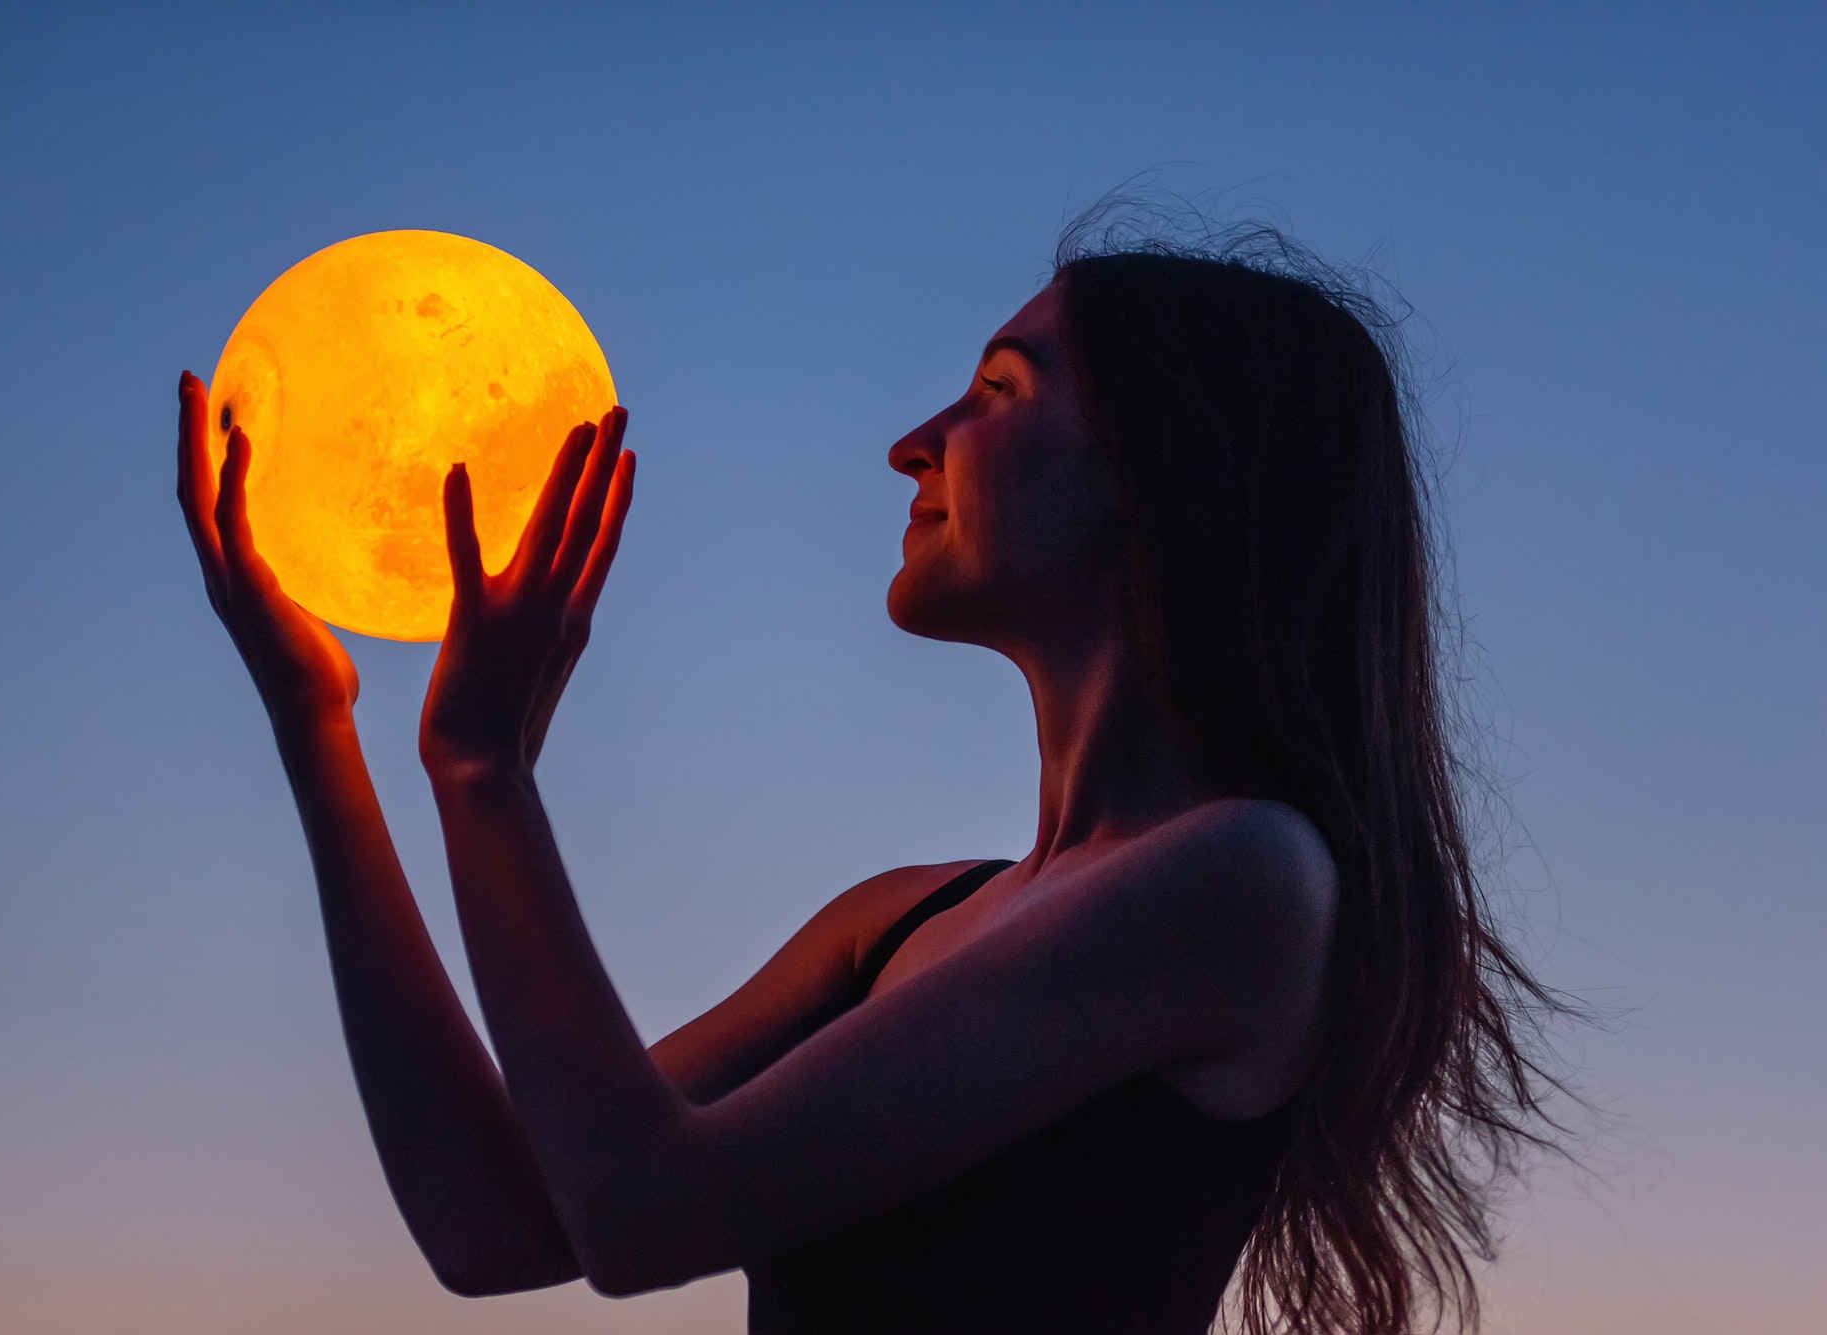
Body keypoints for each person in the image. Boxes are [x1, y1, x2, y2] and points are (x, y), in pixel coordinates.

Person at [177, 219, 1563, 1334]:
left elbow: (641, 1212)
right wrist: (323, 732)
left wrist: (482, 773)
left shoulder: (1244, 882)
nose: (917, 440)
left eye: (999, 392)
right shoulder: (893, 922)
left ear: (1167, 474)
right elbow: (492, 1228)